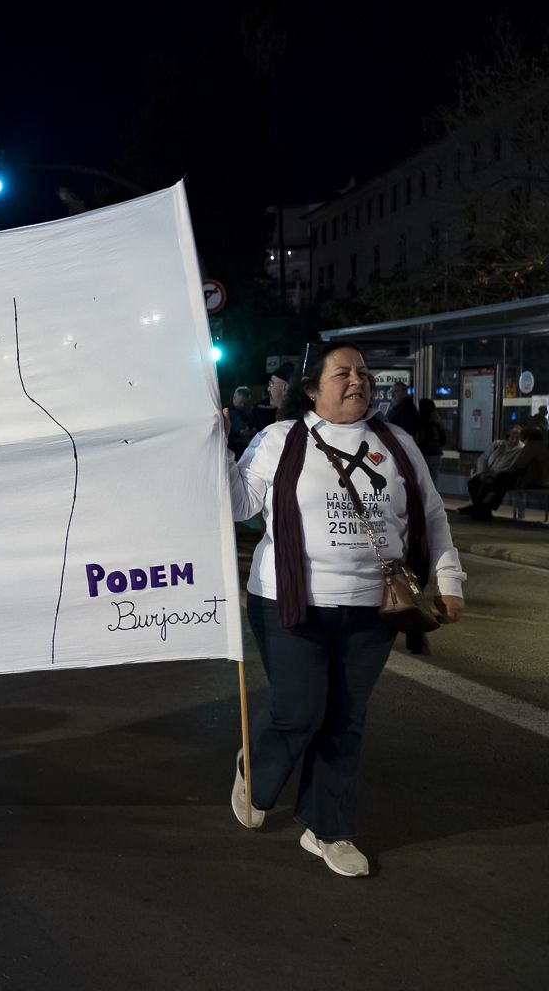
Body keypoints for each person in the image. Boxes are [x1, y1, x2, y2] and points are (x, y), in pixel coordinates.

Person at [225, 342, 465, 878]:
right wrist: (215, 449)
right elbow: (240, 505)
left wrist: (449, 578)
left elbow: (431, 514)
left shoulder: (396, 442)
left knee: (345, 719)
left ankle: (327, 828)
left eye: (363, 372)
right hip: (289, 601)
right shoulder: (280, 439)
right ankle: (257, 771)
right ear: (313, 388)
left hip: (371, 609)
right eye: (343, 373)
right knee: (298, 710)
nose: (357, 380)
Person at [458, 425, 549, 520]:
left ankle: (478, 508)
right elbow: (483, 458)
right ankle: (481, 509)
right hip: (492, 473)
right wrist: (482, 473)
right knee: (474, 482)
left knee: (492, 482)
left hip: (510, 477)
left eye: (518, 437)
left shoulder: (525, 448)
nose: (515, 439)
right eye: (512, 436)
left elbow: (517, 465)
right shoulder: (498, 445)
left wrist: (494, 474)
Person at [250, 364, 292, 432]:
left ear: (285, 387)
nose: (268, 389)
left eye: (272, 384)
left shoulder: (292, 426)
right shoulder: (280, 418)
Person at [415, 399, 447, 483]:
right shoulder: (438, 422)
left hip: (424, 454)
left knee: (423, 481)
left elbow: (419, 440)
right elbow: (443, 441)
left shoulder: (419, 423)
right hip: (436, 454)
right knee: (433, 480)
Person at [226, 386, 255, 456]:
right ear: (235, 397)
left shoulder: (244, 411)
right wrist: (239, 433)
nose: (242, 405)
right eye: (241, 402)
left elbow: (250, 425)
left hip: (243, 447)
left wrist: (251, 430)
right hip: (231, 448)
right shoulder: (225, 411)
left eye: (245, 403)